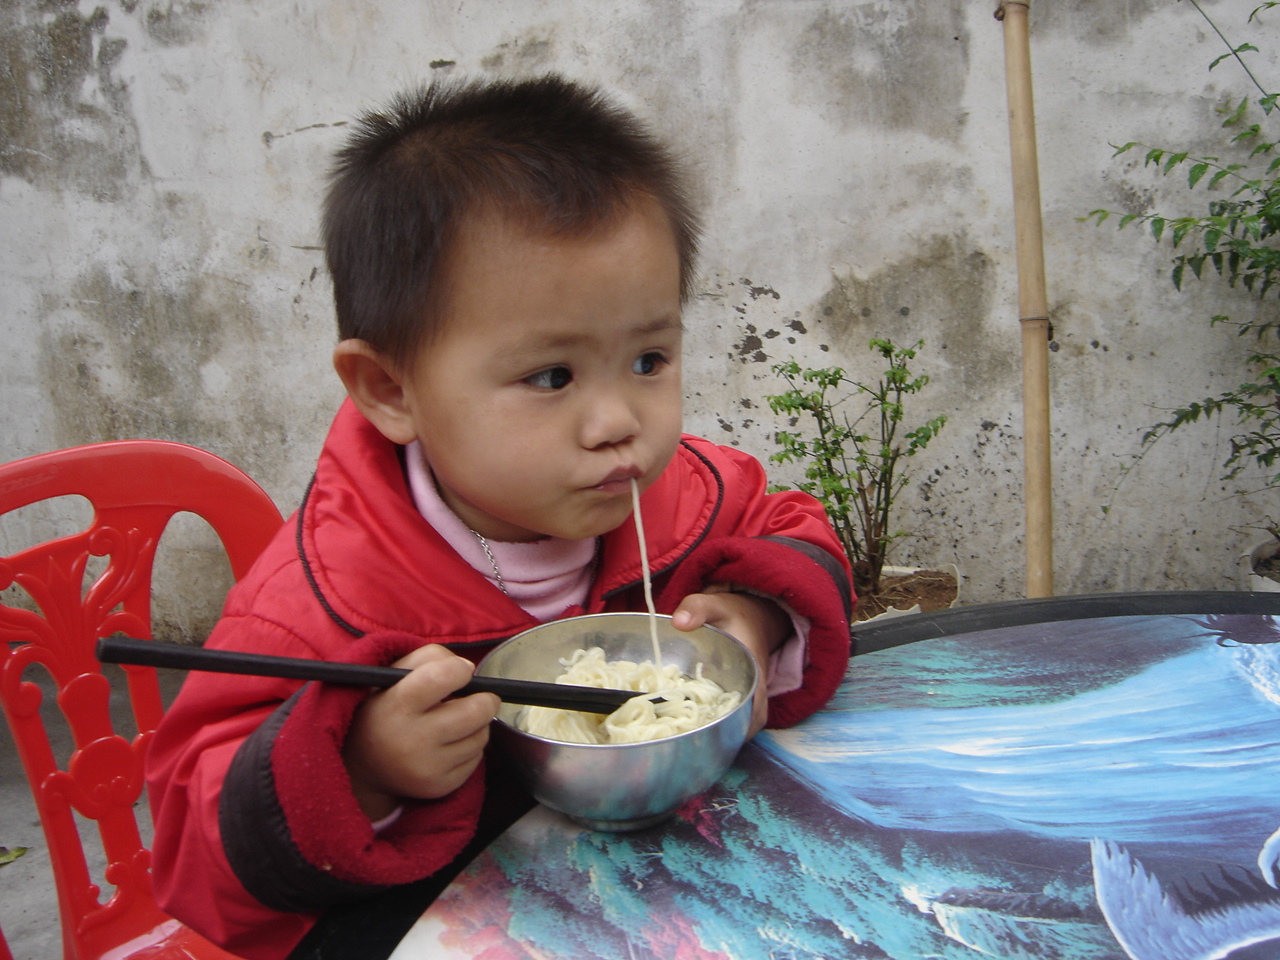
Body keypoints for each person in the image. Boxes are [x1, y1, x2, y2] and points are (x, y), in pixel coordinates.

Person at [145, 74, 853, 960]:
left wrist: (755, 614)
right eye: (552, 376)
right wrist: (363, 769)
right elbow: (190, 854)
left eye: (649, 359)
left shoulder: (690, 497)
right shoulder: (319, 602)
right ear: (391, 389)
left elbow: (796, 531)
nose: (618, 423)